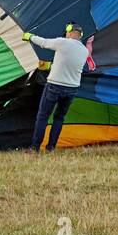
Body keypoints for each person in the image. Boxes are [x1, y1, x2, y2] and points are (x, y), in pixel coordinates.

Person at [22, 24, 90, 152]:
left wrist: (29, 36)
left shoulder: (62, 42)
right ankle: (50, 148)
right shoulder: (84, 51)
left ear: (69, 32)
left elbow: (44, 43)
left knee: (43, 116)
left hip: (55, 85)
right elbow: (69, 64)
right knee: (59, 118)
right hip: (72, 89)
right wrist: (50, 66)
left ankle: (35, 148)